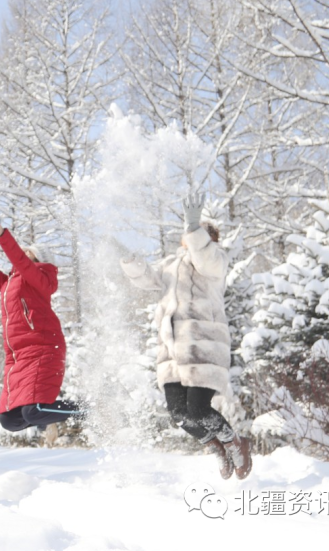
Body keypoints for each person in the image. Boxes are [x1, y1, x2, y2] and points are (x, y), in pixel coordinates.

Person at [119, 192, 252, 480]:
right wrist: (128, 259)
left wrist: (194, 227)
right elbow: (148, 279)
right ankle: (214, 446)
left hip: (203, 349)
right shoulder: (171, 265)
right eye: (188, 233)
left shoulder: (215, 262)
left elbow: (203, 255)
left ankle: (233, 442)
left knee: (199, 409)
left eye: (196, 234)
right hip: (172, 352)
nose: (188, 237)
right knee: (180, 414)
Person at [0, 192, 80, 435]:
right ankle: (44, 419)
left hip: (43, 349)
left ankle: (84, 410)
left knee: (34, 411)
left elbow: (19, 260)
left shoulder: (39, 278)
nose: (25, 255)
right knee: (8, 421)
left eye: (30, 253)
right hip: (18, 357)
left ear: (39, 260)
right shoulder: (10, 283)